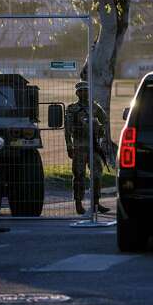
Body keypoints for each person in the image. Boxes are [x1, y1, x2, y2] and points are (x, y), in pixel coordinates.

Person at [64, 81, 110, 215]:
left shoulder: (95, 107)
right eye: (81, 91)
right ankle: (78, 203)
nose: (84, 93)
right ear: (77, 93)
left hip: (94, 146)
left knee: (97, 174)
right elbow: (67, 130)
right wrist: (69, 146)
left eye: (86, 90)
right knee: (79, 175)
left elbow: (105, 120)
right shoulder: (72, 109)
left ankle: (96, 203)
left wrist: (100, 129)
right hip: (79, 146)